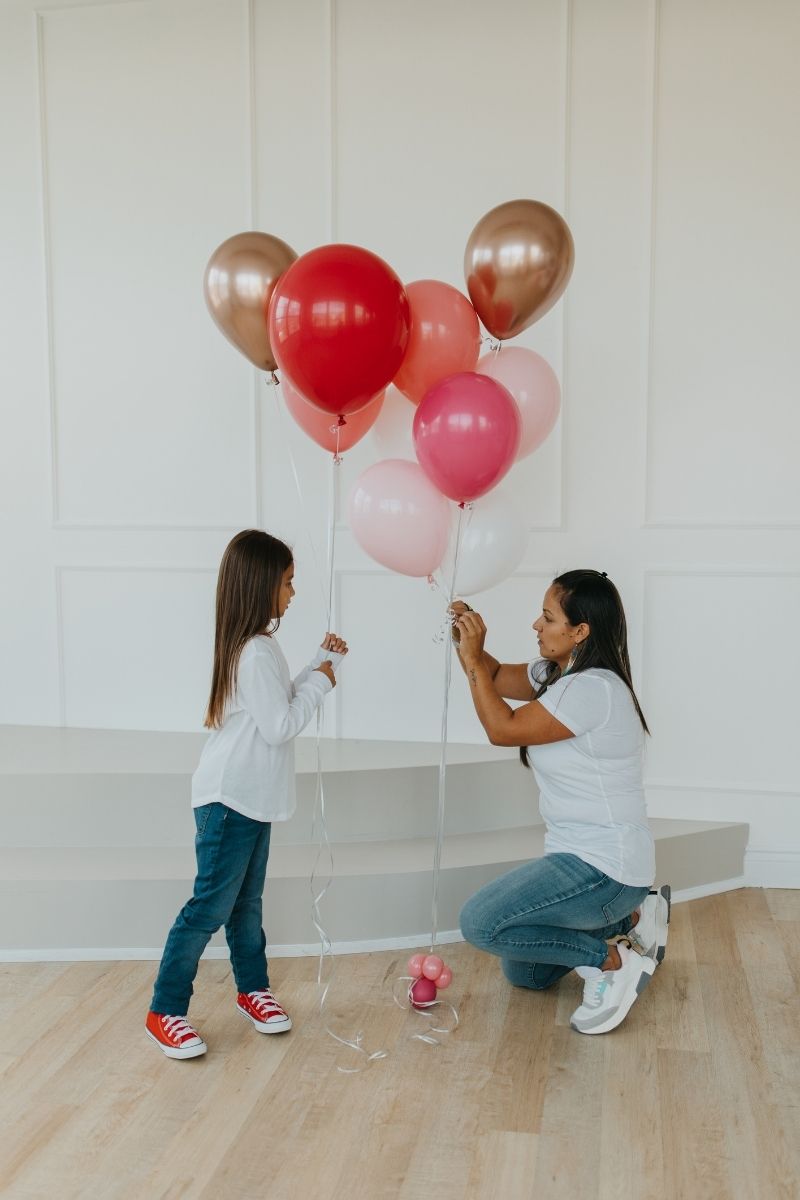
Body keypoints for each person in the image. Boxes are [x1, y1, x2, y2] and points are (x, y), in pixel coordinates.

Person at [145, 529, 347, 1059]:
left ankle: (252, 989)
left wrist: (318, 664)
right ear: (262, 585)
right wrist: (323, 682)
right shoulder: (254, 651)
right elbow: (280, 726)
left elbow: (277, 703)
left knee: (245, 906)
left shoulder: (260, 646)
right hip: (229, 801)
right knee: (209, 908)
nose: (293, 593)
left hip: (249, 801)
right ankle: (165, 1010)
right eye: (287, 582)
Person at [453, 570, 670, 1036]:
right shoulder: (557, 674)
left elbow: (503, 729)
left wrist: (470, 658)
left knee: (481, 924)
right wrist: (465, 638)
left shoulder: (592, 689)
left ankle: (611, 963)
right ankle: (634, 917)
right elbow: (493, 675)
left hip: (605, 867)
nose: (536, 624)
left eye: (548, 618)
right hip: (580, 859)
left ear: (580, 631)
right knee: (527, 973)